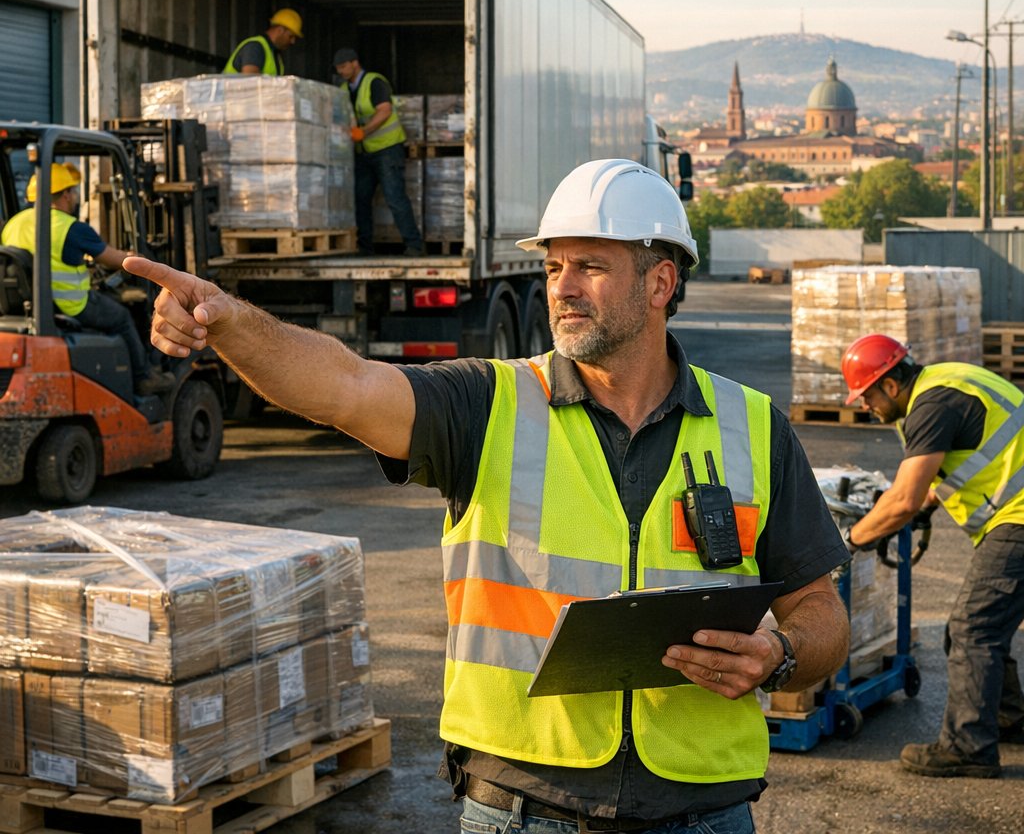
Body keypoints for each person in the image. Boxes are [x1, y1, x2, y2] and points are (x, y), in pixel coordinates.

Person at [125, 159, 849, 834]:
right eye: (553, 265)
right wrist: (229, 321)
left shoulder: (753, 427)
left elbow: (822, 613)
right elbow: (342, 386)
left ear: (660, 284)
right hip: (525, 807)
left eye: (591, 266)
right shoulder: (490, 404)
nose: (560, 287)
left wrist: (780, 655)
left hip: (706, 809)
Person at [840, 334, 1024, 779]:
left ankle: (968, 748)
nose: (865, 407)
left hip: (1018, 520)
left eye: (866, 396)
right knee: (982, 627)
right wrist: (926, 506)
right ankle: (1009, 717)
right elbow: (966, 458)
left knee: (972, 628)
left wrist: (849, 541)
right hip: (1014, 517)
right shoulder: (945, 385)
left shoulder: (932, 404)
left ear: (889, 384)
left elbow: (903, 499)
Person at [2, 162, 174, 397]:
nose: (73, 196)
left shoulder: (13, 223)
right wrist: (138, 258)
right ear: (65, 194)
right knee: (122, 317)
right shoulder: (71, 227)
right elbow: (114, 260)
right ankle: (143, 378)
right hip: (69, 304)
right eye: (72, 191)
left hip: (27, 305)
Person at [333, 47, 424, 256]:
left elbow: (385, 111)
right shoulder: (345, 90)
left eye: (343, 66)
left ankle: (414, 245)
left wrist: (363, 132)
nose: (341, 71)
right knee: (360, 200)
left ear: (355, 63)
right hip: (364, 153)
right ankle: (364, 247)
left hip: (386, 150)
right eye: (338, 68)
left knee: (395, 197)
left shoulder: (374, 82)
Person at [223, 9, 304, 75]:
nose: (293, 41)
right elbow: (250, 81)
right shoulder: (255, 47)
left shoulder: (274, 55)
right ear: (279, 30)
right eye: (290, 36)